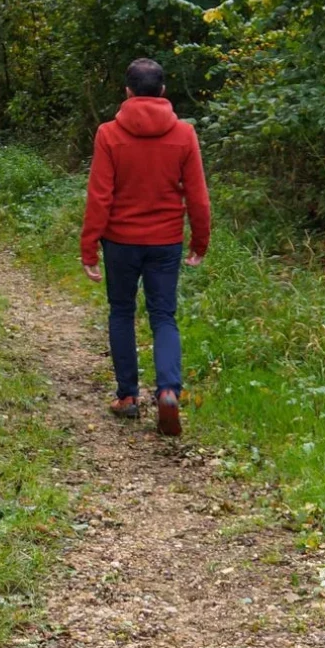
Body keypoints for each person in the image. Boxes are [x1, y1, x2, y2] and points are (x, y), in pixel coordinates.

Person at [79, 58, 211, 437]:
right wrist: (199, 241)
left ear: (128, 92)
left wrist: (89, 248)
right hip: (166, 241)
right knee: (163, 315)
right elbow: (198, 198)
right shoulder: (184, 134)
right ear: (164, 92)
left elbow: (99, 196)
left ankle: (128, 397)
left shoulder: (109, 133)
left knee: (121, 312)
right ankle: (168, 391)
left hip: (120, 241)